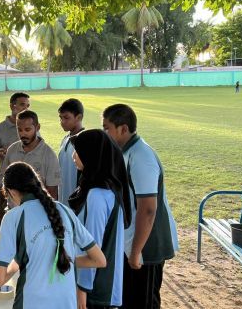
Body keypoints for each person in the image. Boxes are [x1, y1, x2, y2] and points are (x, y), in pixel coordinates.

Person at [0, 162, 106, 309]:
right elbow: (100, 260)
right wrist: (62, 259)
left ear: (11, 192)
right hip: (68, 303)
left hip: (31, 302)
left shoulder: (13, 217)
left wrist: (16, 264)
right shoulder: (65, 211)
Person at [102, 104, 178, 309]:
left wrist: (136, 251)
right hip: (135, 242)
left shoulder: (141, 156)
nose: (104, 133)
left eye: (106, 128)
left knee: (144, 302)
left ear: (123, 129)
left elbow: (148, 208)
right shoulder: (126, 151)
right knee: (131, 298)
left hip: (147, 246)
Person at [71, 129, 132, 309]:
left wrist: (82, 289)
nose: (74, 155)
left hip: (95, 289)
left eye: (78, 151)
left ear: (92, 155)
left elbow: (92, 245)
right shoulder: (108, 187)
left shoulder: (97, 195)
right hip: (105, 283)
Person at [0, 92, 30, 232]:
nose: (26, 108)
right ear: (12, 106)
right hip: (4, 183)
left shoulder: (32, 127)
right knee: (1, 220)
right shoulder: (0, 128)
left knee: (24, 223)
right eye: (22, 104)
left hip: (26, 184)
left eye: (28, 105)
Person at [2, 109, 60, 200]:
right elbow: (5, 182)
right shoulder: (12, 150)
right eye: (19, 130)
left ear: (37, 127)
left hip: (37, 212)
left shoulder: (49, 156)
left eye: (27, 129)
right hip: (13, 211)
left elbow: (52, 193)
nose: (23, 134)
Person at [57, 98, 85, 206]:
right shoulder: (65, 139)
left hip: (76, 204)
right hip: (63, 202)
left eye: (66, 118)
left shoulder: (84, 142)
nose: (62, 122)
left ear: (79, 117)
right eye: (60, 118)